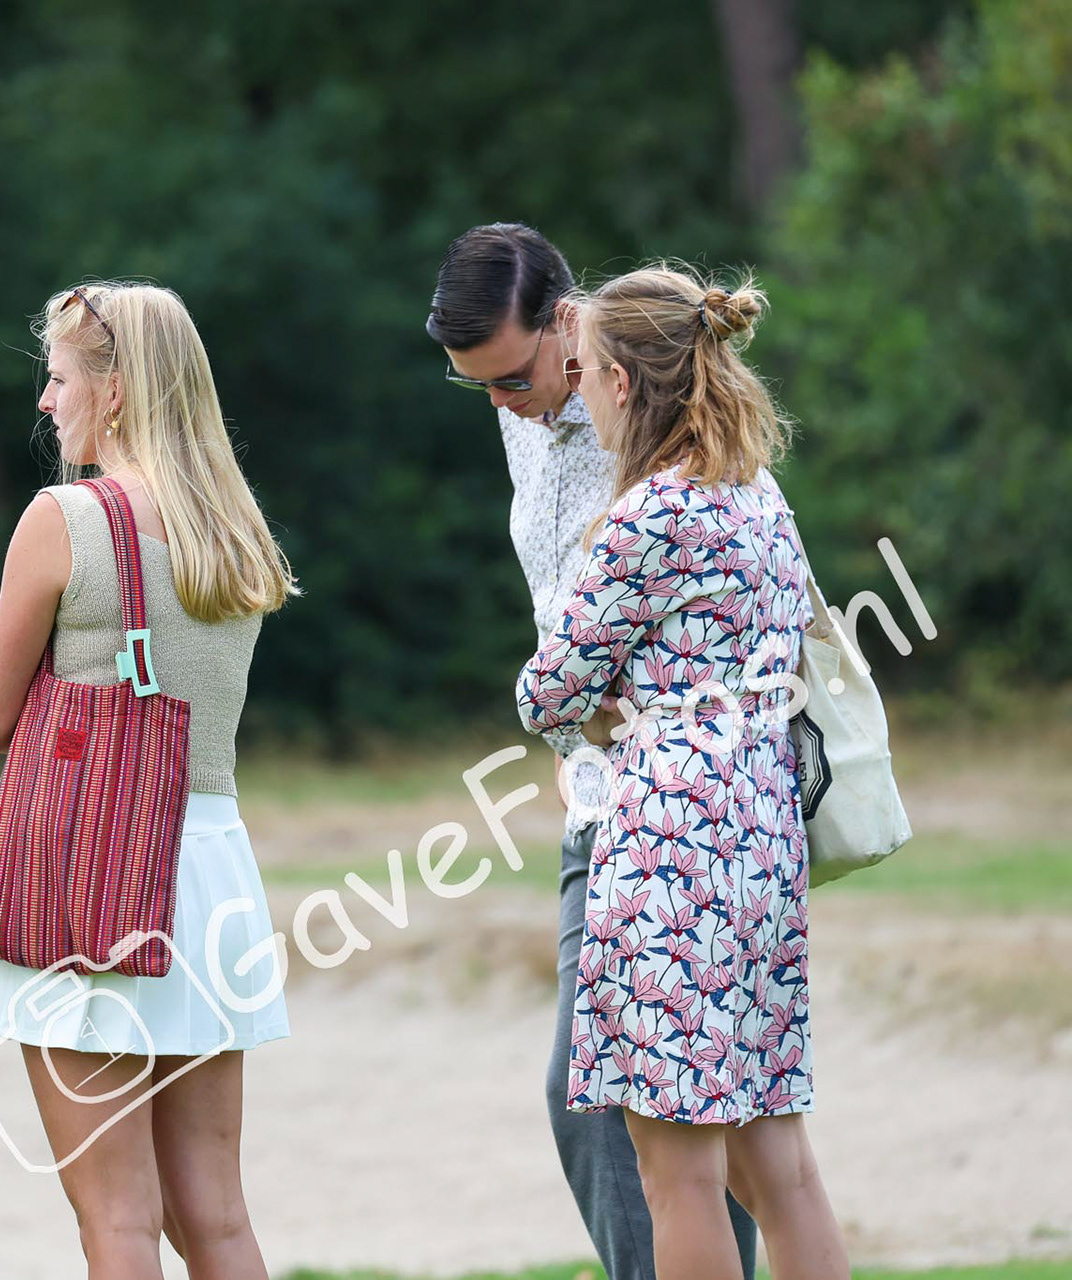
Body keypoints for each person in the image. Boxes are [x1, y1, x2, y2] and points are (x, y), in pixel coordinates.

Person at [427, 223, 759, 1280]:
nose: (501, 403)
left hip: (674, 810)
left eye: (512, 377)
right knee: (647, 1112)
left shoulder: (647, 408)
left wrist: (608, 689)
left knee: (649, 1110)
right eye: (475, 386)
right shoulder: (523, 417)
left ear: (567, 325)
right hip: (598, 796)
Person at [516, 265, 849, 1280]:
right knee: (780, 1165)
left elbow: (548, 692)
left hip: (670, 838)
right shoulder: (760, 495)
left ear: (622, 382)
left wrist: (621, 702)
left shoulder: (647, 515)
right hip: (763, 823)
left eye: (585, 373)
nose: (579, 393)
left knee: (679, 1173)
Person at [0, 282, 297, 1278]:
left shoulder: (66, 518)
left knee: (116, 1217)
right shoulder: (233, 531)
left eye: (59, 378)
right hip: (214, 871)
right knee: (216, 1215)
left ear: (113, 392)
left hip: (97, 877)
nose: (46, 400)